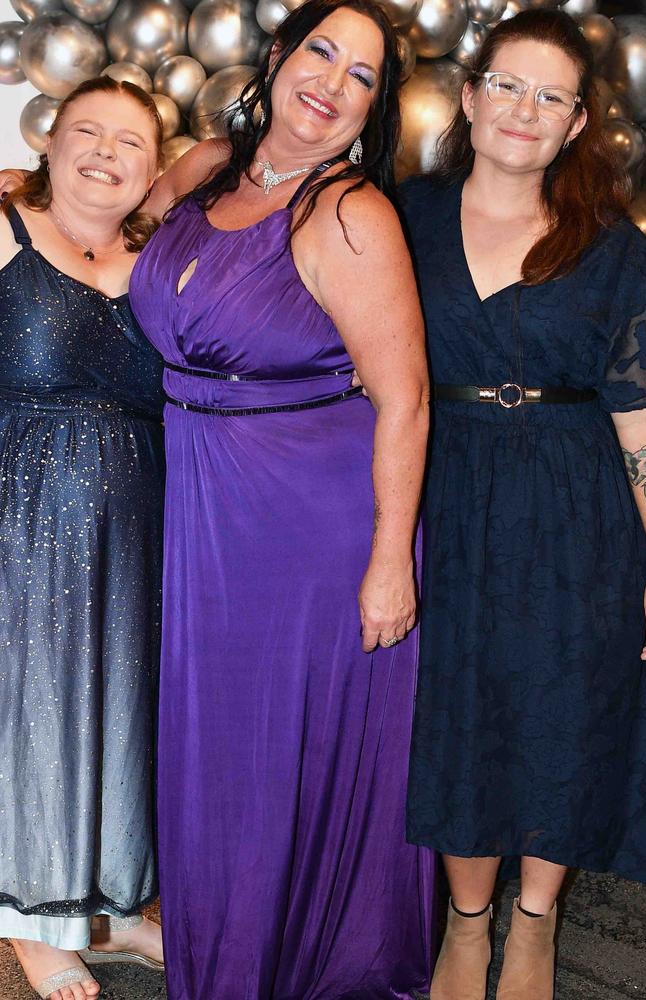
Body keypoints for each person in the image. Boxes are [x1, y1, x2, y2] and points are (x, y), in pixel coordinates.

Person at [129, 0, 434, 995]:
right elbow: (117, 239)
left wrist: (390, 560)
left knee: (274, 753)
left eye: (361, 75)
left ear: (373, 108)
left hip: (313, 526)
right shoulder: (207, 168)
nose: (332, 82)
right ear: (277, 55)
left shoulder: (348, 212)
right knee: (218, 751)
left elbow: (404, 399)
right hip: (209, 507)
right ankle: (226, 956)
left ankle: (308, 968)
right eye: (321, 53)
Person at [399, 9, 646, 1000]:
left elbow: (639, 423)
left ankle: (534, 921)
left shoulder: (613, 246)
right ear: (467, 97)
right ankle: (467, 922)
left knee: (566, 712)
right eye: (507, 85)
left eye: (550, 97)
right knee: (457, 713)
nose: (524, 110)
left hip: (575, 506)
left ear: (576, 123)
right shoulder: (399, 215)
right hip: (444, 496)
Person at [0, 77, 166, 1000]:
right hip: (19, 514)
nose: (107, 152)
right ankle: (34, 924)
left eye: (131, 142)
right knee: (37, 709)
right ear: (50, 143)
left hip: (140, 515)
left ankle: (110, 908)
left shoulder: (161, 256)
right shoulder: (5, 234)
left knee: (121, 704)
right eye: (88, 132)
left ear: (154, 167)